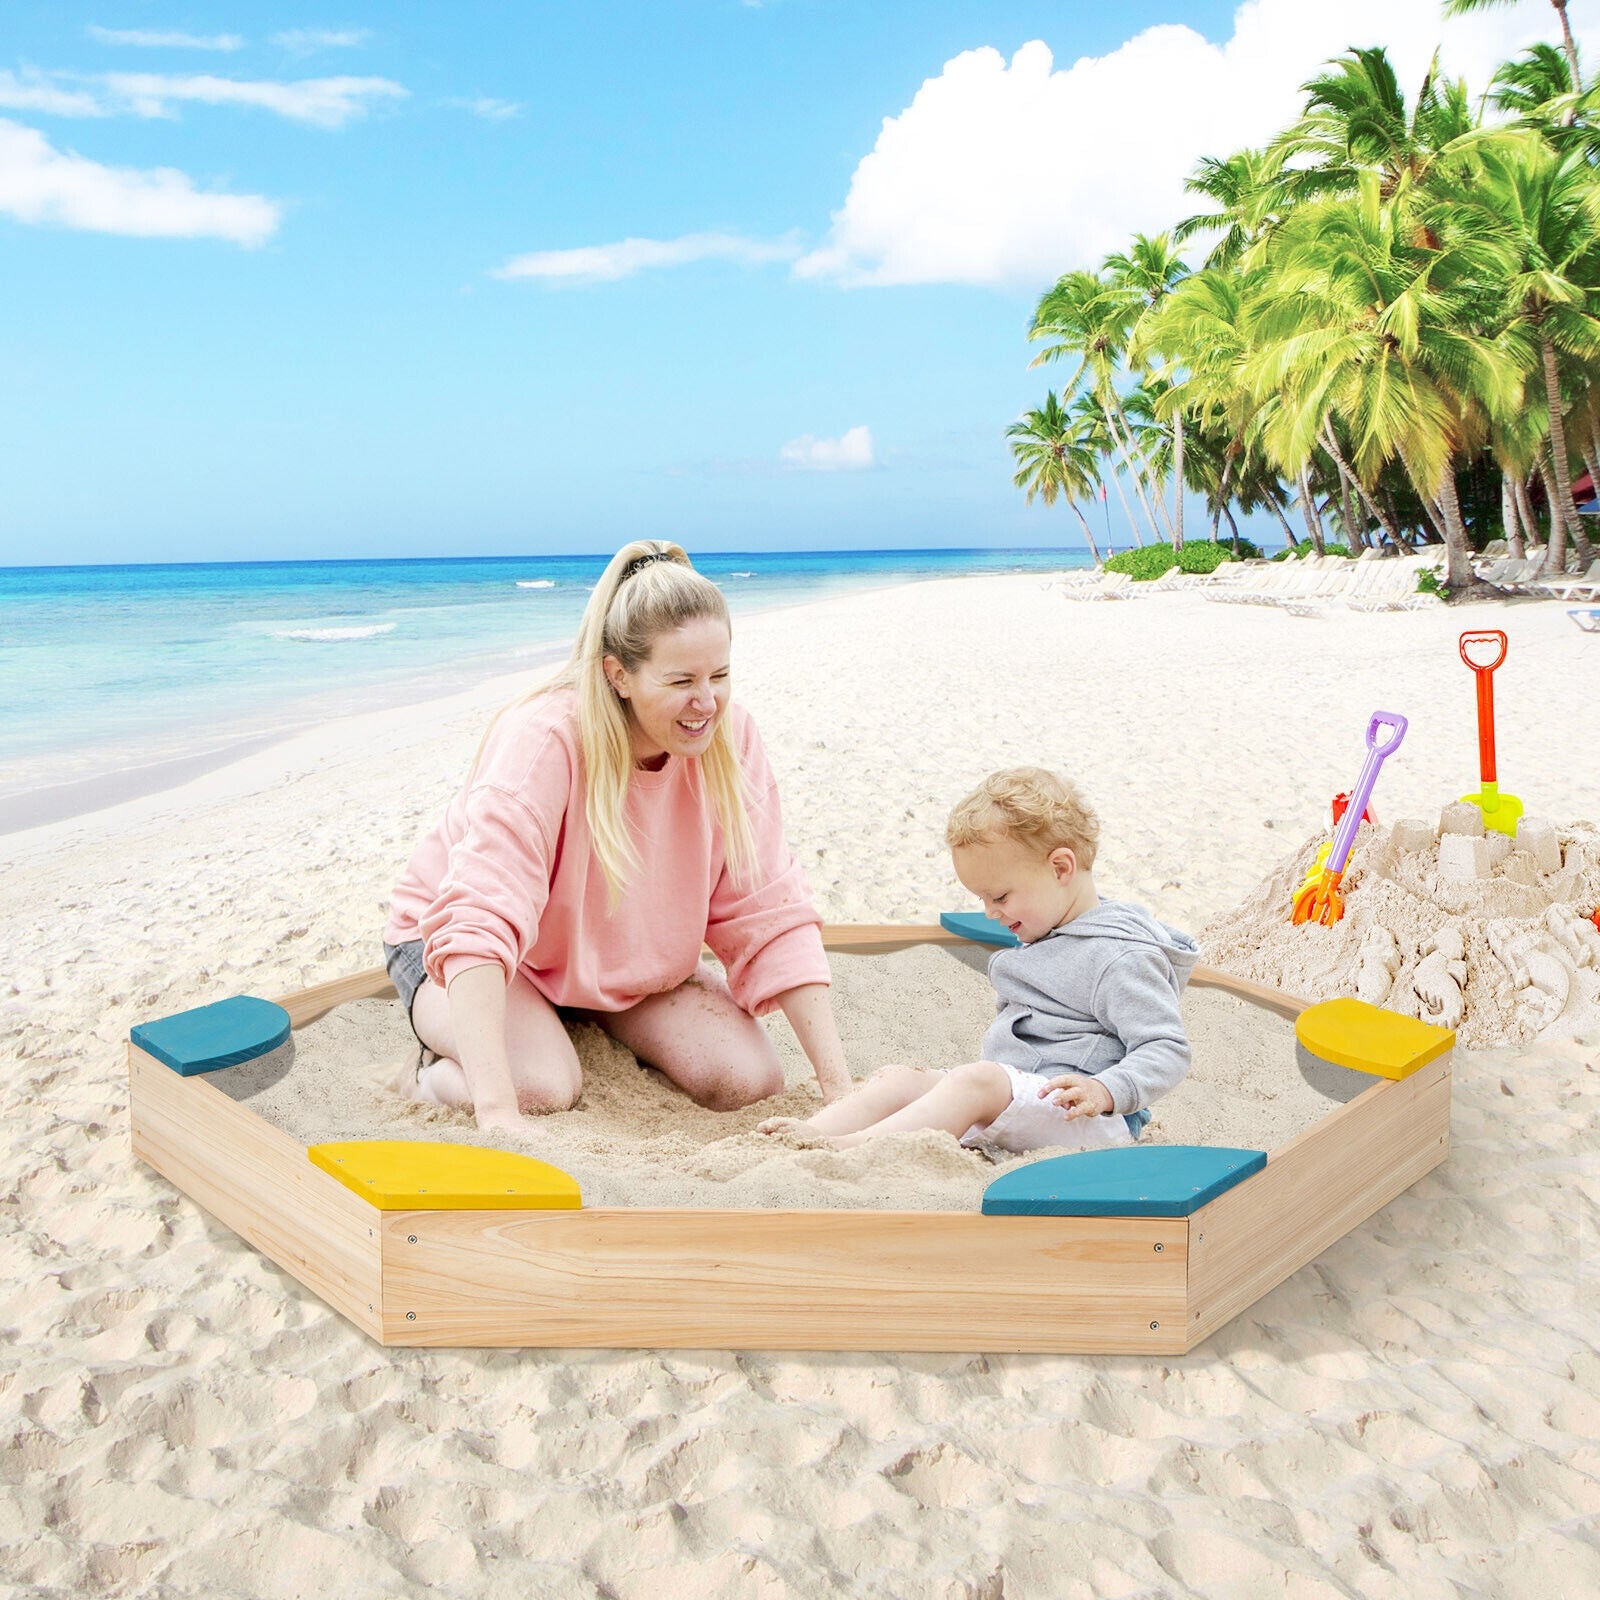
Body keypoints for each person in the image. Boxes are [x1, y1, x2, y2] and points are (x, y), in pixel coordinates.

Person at [382, 539, 850, 1134]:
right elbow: (480, 915)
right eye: (681, 680)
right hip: (466, 948)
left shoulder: (729, 737)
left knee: (748, 1081)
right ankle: (428, 1074)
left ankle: (575, 1015)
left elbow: (766, 906)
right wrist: (496, 1112)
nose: (706, 702)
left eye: (721, 675)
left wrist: (838, 1089)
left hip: (609, 956)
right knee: (542, 1087)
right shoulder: (545, 738)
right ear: (619, 674)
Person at [759, 767, 1196, 1151]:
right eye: (982, 898)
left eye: (1000, 896)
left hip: (1086, 1118)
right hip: (1022, 1096)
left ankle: (854, 1146)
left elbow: (1166, 1047)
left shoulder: (1120, 956)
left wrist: (1105, 1090)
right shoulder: (1054, 928)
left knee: (977, 1080)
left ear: (1061, 869)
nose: (990, 912)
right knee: (900, 1077)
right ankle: (811, 1132)